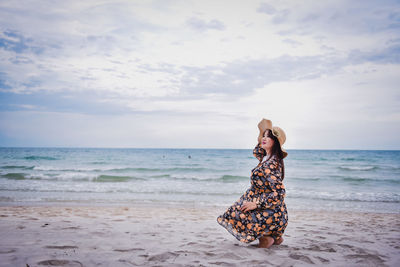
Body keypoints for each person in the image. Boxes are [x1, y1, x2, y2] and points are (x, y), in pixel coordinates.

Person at [217, 118, 288, 248]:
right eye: (263, 136)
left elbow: (279, 193)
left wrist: (256, 204)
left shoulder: (271, 164)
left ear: (276, 142)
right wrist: (264, 131)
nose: (263, 138)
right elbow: (257, 149)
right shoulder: (265, 157)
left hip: (272, 211)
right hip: (270, 208)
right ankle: (275, 237)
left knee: (239, 213)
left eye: (268, 137)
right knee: (235, 210)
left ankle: (270, 236)